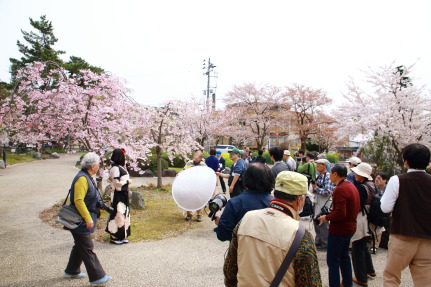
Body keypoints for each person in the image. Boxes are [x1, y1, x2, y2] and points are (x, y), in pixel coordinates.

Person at [224, 171, 322, 287]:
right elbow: (311, 282)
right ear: (300, 199)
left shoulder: (247, 218)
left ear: (275, 193)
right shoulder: (301, 235)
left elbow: (230, 269)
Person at [381, 143, 431, 287]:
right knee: (425, 281)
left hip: (402, 236)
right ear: (427, 162)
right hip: (427, 239)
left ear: (406, 161)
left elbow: (385, 208)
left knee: (392, 277)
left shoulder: (397, 180)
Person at [64, 152, 112, 285]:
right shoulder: (82, 179)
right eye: (98, 164)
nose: (99, 166)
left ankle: (72, 270)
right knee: (87, 247)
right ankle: (97, 277)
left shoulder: (88, 177)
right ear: (92, 166)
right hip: (79, 219)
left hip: (83, 218)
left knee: (80, 245)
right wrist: (87, 218)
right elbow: (78, 200)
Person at [318, 163, 360, 287]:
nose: (329, 175)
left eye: (330, 173)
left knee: (332, 260)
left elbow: (341, 213)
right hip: (350, 226)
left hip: (339, 229)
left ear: (335, 174)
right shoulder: (351, 186)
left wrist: (327, 217)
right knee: (344, 256)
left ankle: (334, 284)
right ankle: (347, 283)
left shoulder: (340, 189)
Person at [214, 162, 274, 241]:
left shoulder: (234, 203)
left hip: (241, 251)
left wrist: (220, 223)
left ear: (245, 180)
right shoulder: (275, 203)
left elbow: (222, 235)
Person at [350, 162, 377, 286]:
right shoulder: (372, 185)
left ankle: (361, 277)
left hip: (362, 219)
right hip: (369, 219)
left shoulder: (361, 187)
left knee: (357, 248)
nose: (355, 174)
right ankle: (370, 270)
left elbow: (357, 206)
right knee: (363, 246)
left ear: (362, 175)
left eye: (357, 173)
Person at [106, 148, 132, 245]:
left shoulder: (117, 167)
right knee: (118, 214)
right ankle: (115, 236)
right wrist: (128, 181)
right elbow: (117, 184)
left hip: (122, 194)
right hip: (118, 195)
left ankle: (122, 235)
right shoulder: (115, 168)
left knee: (123, 214)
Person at [312, 159, 335, 251]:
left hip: (324, 201)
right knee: (316, 220)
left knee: (323, 221)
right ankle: (318, 241)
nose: (317, 167)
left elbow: (328, 191)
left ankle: (325, 243)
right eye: (316, 165)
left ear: (325, 165)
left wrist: (316, 188)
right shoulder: (319, 176)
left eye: (319, 165)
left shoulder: (328, 176)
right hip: (317, 200)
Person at [184, 151, 207, 221]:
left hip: (198, 185)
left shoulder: (203, 165)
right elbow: (184, 171)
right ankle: (189, 214)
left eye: (196, 156)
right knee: (189, 199)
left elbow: (206, 174)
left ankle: (199, 215)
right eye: (194, 156)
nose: (194, 158)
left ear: (200, 158)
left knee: (198, 200)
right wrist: (179, 174)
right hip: (190, 184)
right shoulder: (189, 162)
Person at [375, 173, 390, 249]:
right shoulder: (374, 188)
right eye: (376, 178)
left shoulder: (388, 189)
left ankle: (384, 243)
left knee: (386, 227)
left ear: (385, 180)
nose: (377, 180)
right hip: (377, 210)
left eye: (379, 178)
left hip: (386, 210)